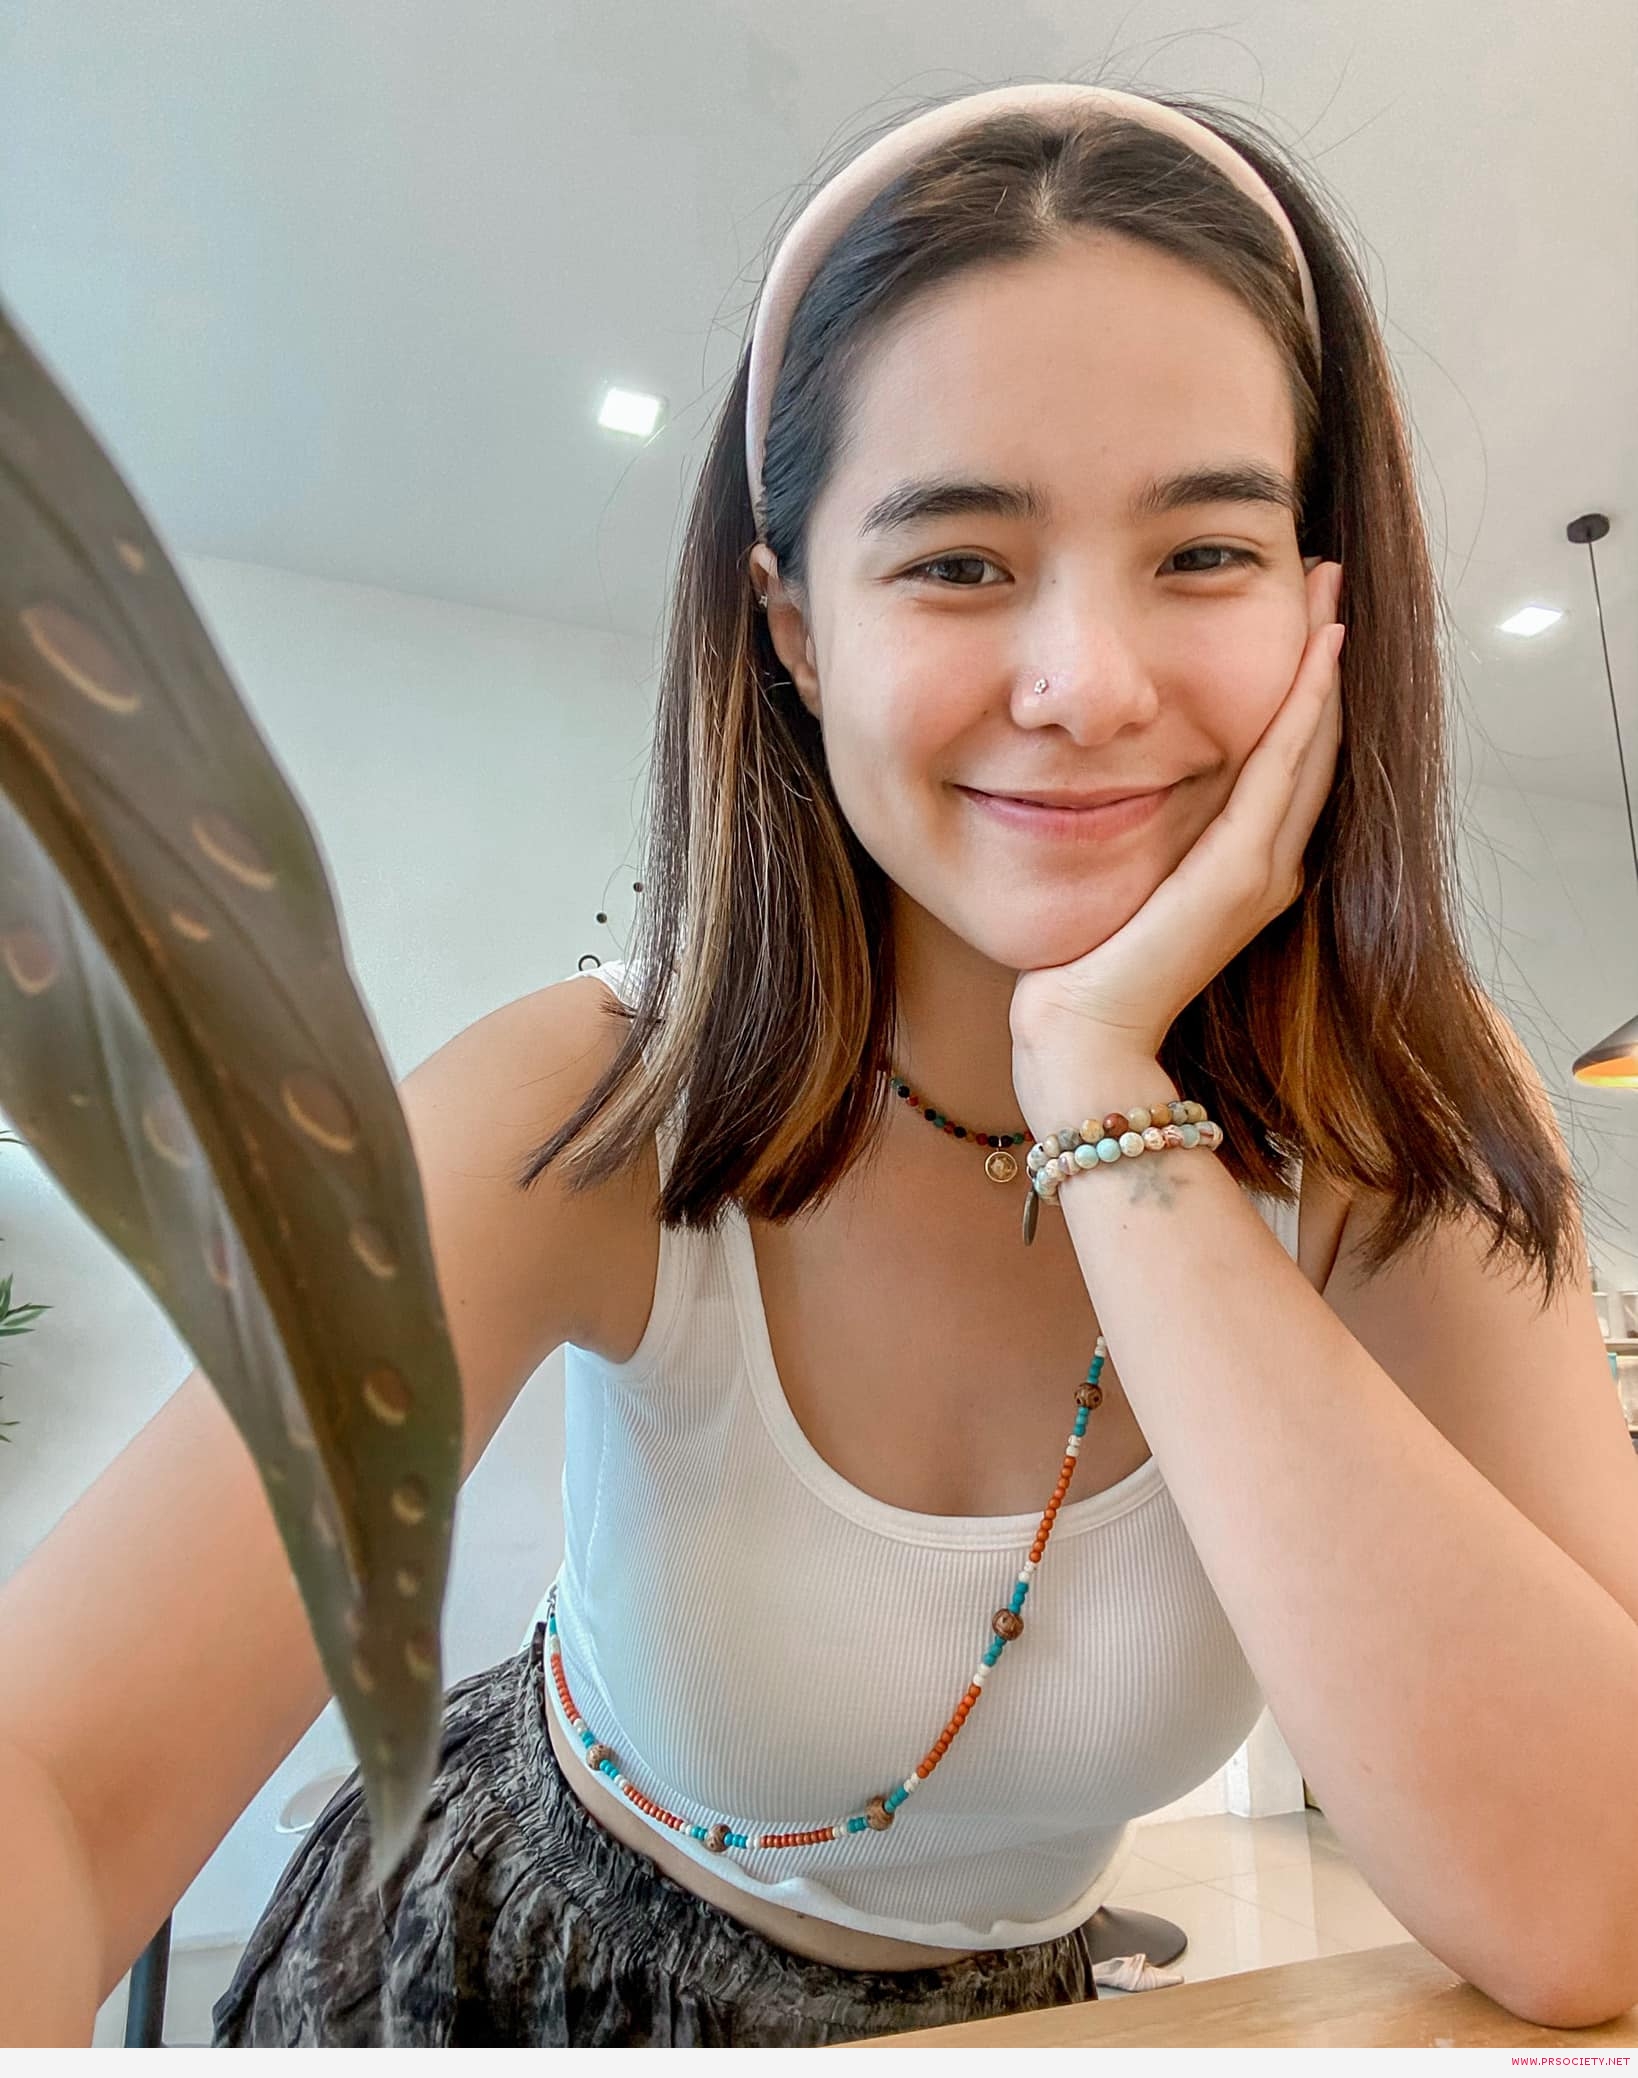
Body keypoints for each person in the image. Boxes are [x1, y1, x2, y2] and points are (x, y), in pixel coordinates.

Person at [4, 79, 1635, 2050]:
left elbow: (1593, 1905)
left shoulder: (1403, 1123)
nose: (1087, 684)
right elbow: (56, 1784)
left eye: (1204, 549)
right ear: (790, 628)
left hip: (1015, 2013)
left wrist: (1106, 1095)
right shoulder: (600, 1100)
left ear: (1324, 601)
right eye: (956, 562)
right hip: (522, 1956)